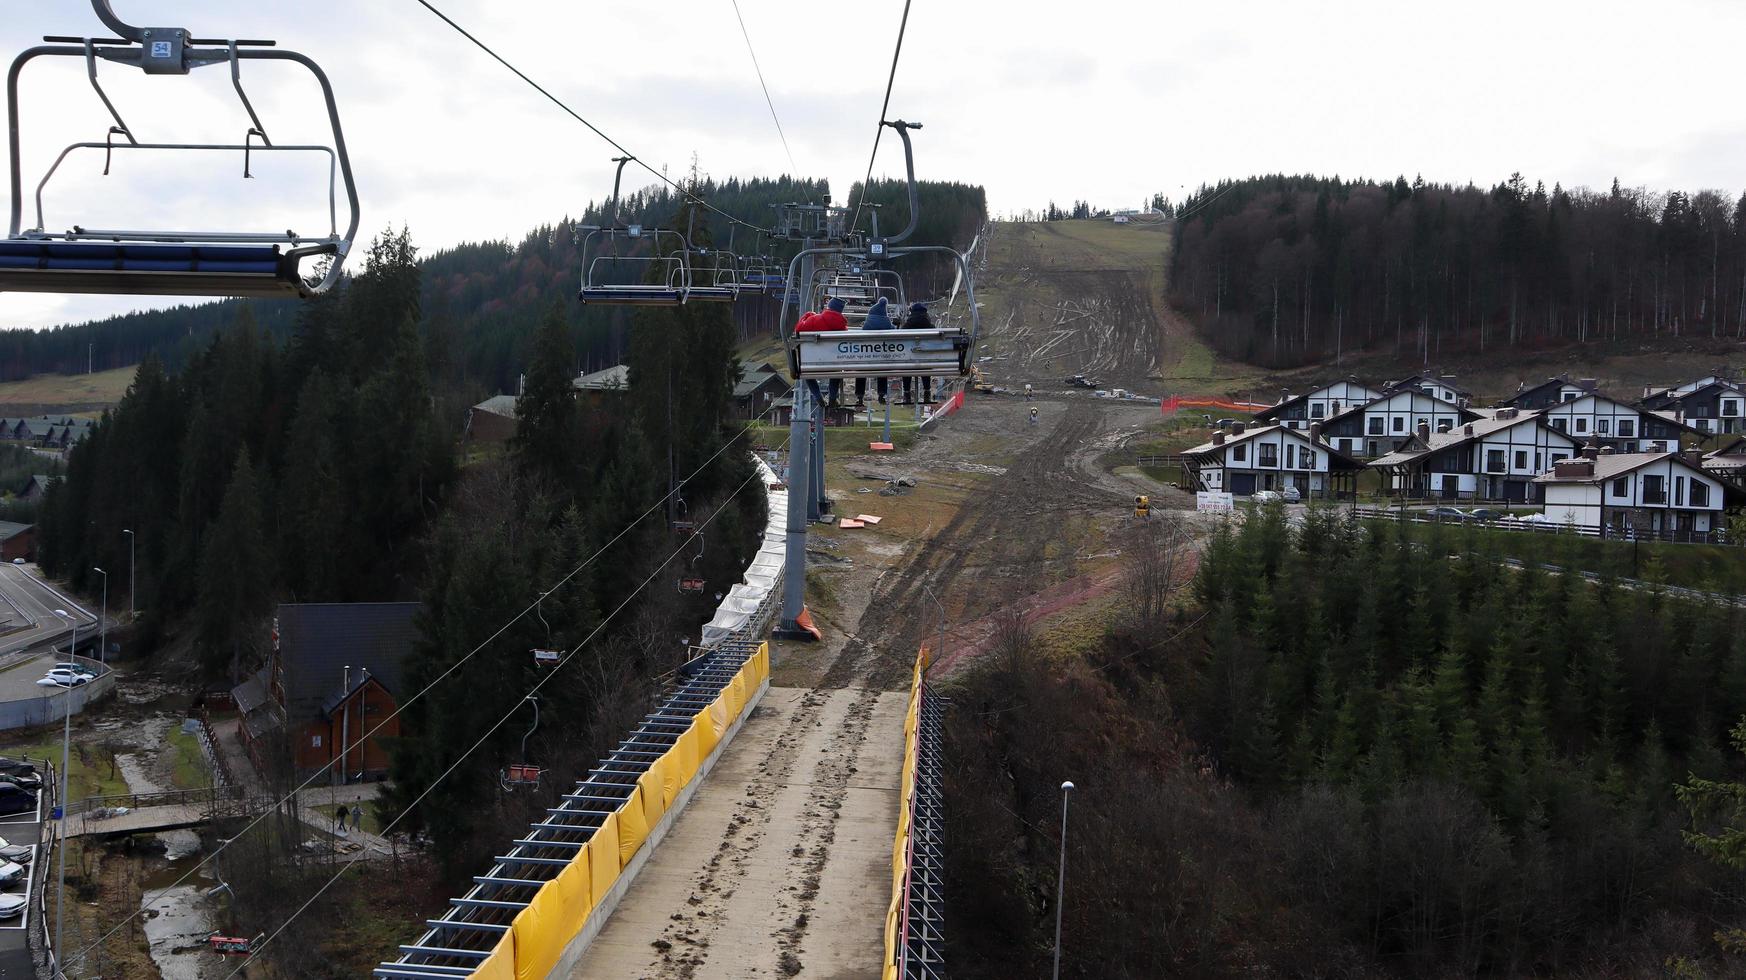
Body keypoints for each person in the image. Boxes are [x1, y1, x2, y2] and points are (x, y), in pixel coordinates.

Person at [795, 298, 849, 406]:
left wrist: (807, 315)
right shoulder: (842, 326)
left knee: (807, 374)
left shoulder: (814, 319)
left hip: (812, 362)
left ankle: (817, 396)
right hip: (833, 363)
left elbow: (798, 329)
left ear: (828, 307)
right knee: (837, 372)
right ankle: (833, 397)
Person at [856, 297, 896, 406]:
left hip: (867, 356)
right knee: (882, 371)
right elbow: (894, 332)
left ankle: (859, 395)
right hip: (881, 357)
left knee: (860, 372)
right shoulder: (887, 323)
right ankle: (881, 394)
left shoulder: (868, 323)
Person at [900, 303, 935, 404]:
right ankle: (927, 392)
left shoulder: (907, 326)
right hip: (924, 359)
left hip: (909, 359)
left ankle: (906, 393)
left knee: (906, 367)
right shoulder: (930, 326)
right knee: (925, 367)